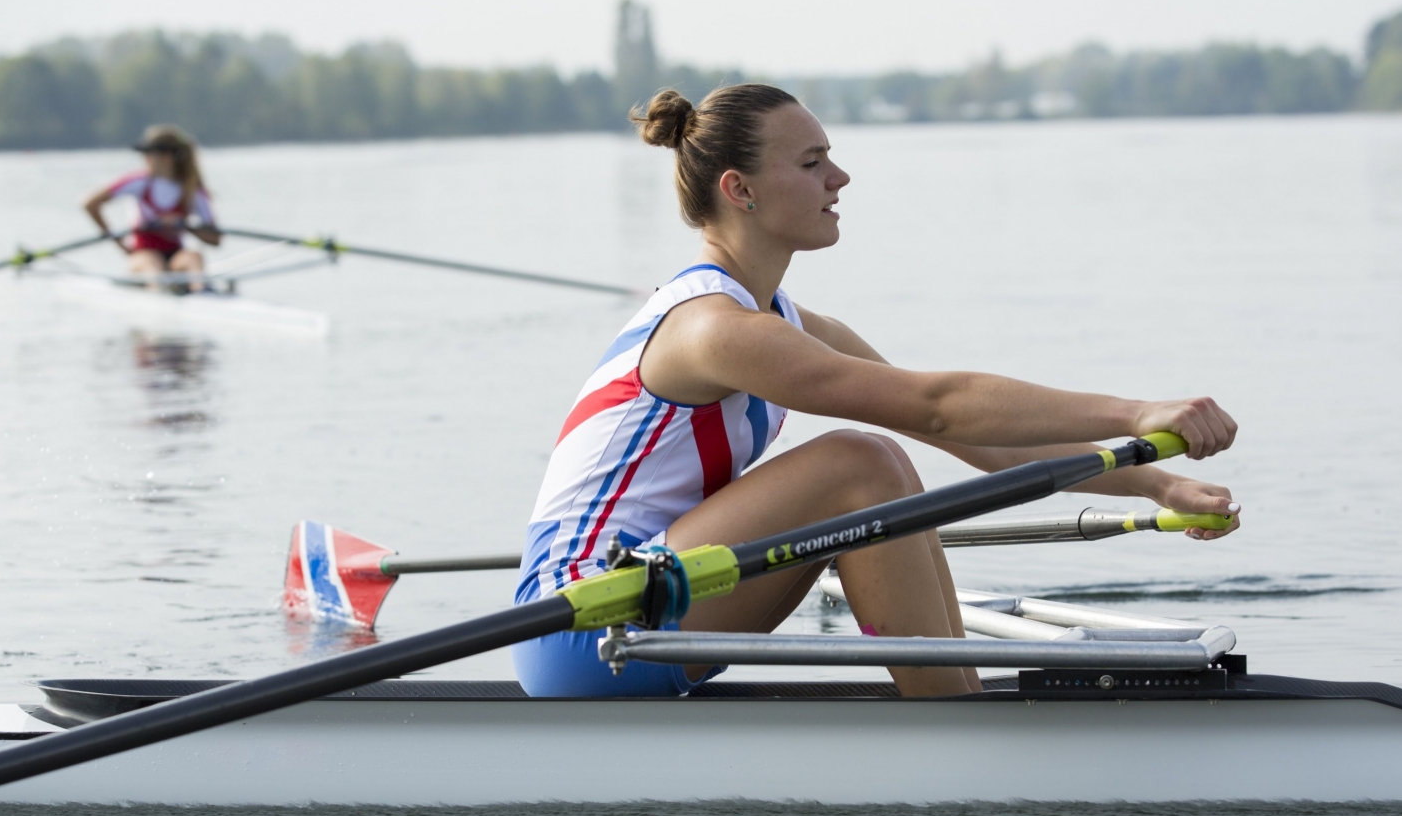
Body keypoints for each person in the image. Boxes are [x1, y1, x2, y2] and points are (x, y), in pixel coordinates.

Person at [513, 84, 1240, 700]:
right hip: (580, 623)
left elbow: (972, 437)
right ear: (740, 190)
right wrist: (1138, 412)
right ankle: (958, 734)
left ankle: (958, 712)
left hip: (661, 598)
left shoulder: (790, 322)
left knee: (879, 471)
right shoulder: (711, 329)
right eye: (811, 162)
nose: (840, 178)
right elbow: (937, 403)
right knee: (861, 465)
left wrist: (1159, 484)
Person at [83, 124, 221, 290]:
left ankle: (202, 294)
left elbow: (215, 239)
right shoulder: (139, 182)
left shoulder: (192, 189)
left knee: (193, 258)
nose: (144, 158)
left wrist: (185, 225)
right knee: (152, 264)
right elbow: (89, 204)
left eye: (148, 153)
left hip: (176, 256)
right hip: (143, 253)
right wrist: (120, 244)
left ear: (168, 156)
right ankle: (160, 294)